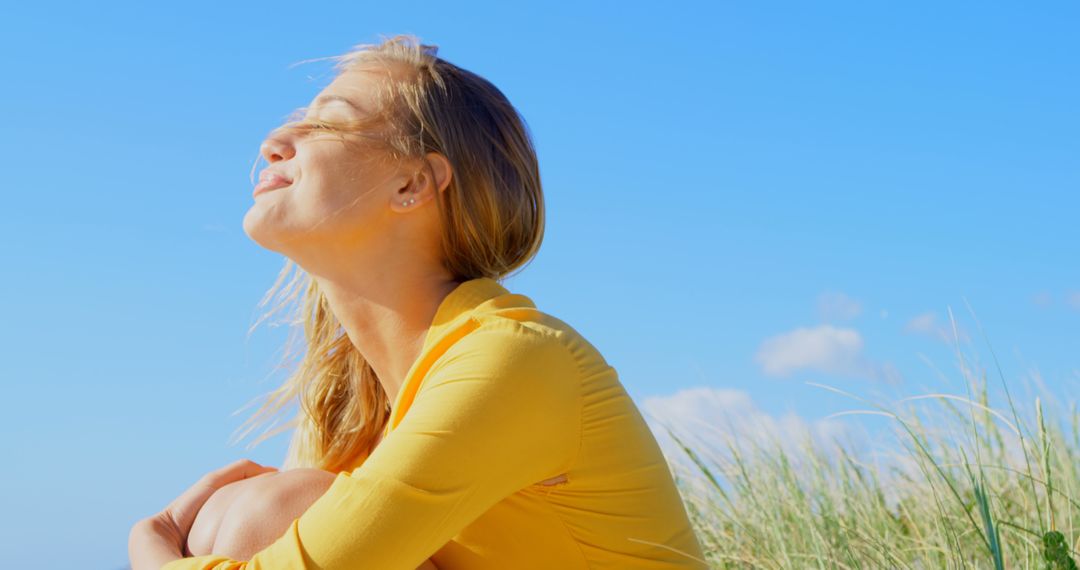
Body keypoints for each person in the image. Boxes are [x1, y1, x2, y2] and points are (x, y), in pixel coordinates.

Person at [128, 34, 708, 570]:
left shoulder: (516, 359)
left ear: (413, 185)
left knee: (275, 508)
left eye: (328, 124)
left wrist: (151, 548)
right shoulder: (347, 402)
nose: (275, 143)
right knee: (257, 509)